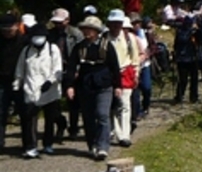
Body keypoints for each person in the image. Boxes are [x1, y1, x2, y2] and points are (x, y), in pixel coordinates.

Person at [67, 16, 121, 160]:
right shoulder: (79, 47)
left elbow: (115, 67)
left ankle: (103, 147)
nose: (87, 32)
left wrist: (118, 86)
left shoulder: (107, 46)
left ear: (97, 31)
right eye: (85, 29)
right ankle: (92, 145)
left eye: (90, 29)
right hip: (85, 86)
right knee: (88, 118)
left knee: (102, 114)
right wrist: (70, 86)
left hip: (104, 85)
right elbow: (71, 68)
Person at [12, 24, 63, 157]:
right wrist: (17, 85)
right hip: (31, 88)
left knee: (50, 118)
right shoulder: (27, 51)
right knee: (30, 118)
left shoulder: (53, 49)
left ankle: (48, 144)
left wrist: (50, 81)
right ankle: (31, 146)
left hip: (49, 90)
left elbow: (57, 69)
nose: (38, 39)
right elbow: (20, 70)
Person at [48, 8, 82, 140]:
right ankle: (60, 123)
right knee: (54, 101)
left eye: (60, 22)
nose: (58, 25)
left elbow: (81, 52)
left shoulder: (76, 34)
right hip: (54, 70)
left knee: (72, 101)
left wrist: (78, 70)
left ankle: (73, 128)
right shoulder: (50, 34)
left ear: (67, 21)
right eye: (55, 22)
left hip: (71, 69)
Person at [106, 9, 139, 147]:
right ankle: (117, 132)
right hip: (109, 74)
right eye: (113, 23)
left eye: (118, 23)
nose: (115, 26)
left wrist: (136, 73)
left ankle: (125, 136)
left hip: (125, 72)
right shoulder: (104, 38)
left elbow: (135, 57)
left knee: (125, 104)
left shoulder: (128, 37)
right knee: (112, 106)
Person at [0, 13, 27, 152]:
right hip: (2, 81)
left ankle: (27, 144)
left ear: (17, 27)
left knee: (24, 112)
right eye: (3, 29)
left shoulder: (24, 42)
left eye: (9, 29)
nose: (6, 32)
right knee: (1, 112)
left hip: (20, 81)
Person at [172, 14, 201, 104]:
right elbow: (201, 41)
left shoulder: (179, 32)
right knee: (193, 79)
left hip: (181, 58)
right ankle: (193, 97)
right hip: (191, 58)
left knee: (182, 79)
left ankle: (179, 96)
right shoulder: (193, 32)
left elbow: (175, 45)